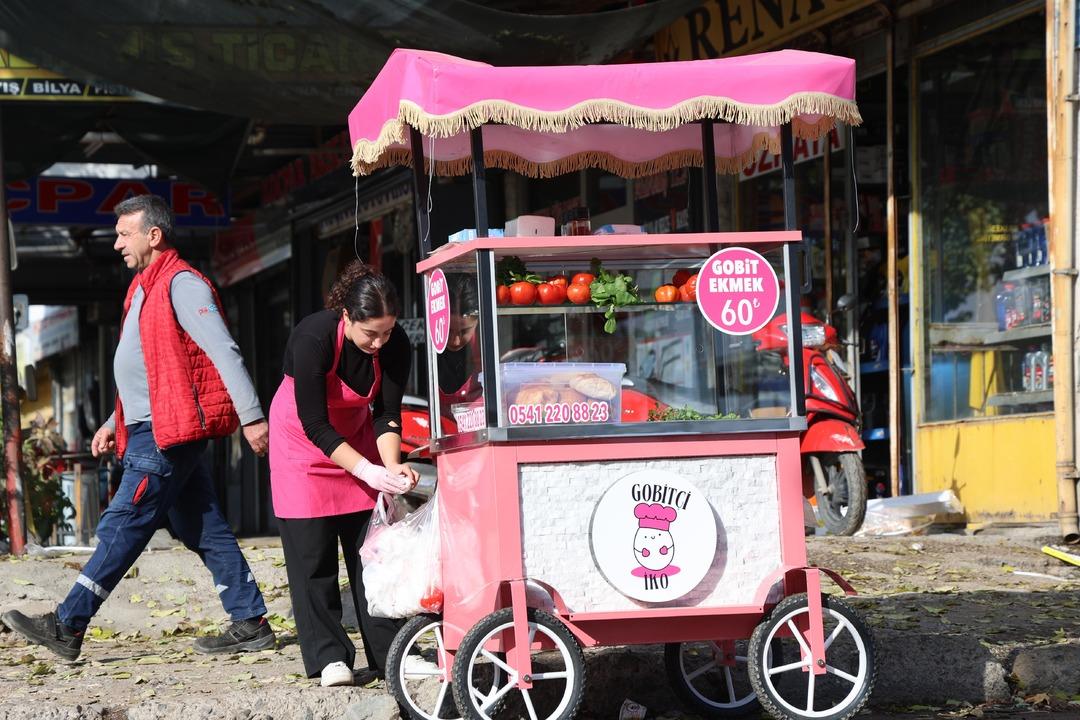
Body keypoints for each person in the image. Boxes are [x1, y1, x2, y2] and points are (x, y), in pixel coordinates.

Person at [1, 194, 274, 661]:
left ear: (154, 235)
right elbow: (149, 370)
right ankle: (250, 621)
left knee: (122, 523)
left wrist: (252, 417)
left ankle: (68, 624)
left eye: (124, 234)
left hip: (165, 433)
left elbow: (224, 352)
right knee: (203, 527)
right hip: (150, 425)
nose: (116, 245)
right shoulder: (144, 287)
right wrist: (113, 420)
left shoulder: (183, 284)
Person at [269, 261, 420, 687]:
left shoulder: (395, 345)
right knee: (312, 558)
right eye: (370, 332)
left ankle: (392, 654)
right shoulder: (314, 337)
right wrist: (367, 470)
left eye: (387, 331)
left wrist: (389, 467)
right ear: (347, 317)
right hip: (302, 446)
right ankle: (329, 657)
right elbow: (315, 423)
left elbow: (387, 414)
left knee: (370, 554)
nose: (379, 342)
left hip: (356, 442)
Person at [437, 273, 483, 412]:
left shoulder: (486, 345)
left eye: (464, 331)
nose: (456, 341)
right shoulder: (427, 352)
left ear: (477, 321)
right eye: (448, 331)